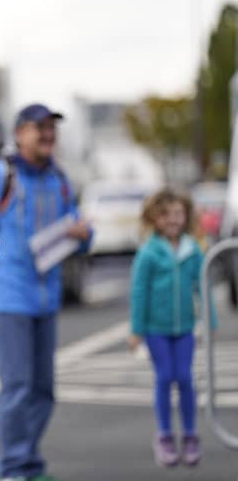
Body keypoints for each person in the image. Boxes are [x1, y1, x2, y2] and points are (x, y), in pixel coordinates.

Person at [0, 104, 92, 481]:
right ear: (19, 132)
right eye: (40, 128)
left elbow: (78, 231)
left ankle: (29, 462)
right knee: (18, 391)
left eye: (52, 128)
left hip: (46, 300)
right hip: (8, 299)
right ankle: (14, 469)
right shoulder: (0, 177)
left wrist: (84, 237)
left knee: (43, 392)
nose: (48, 135)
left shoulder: (60, 180)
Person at [128, 188, 217, 468]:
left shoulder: (192, 250)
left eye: (178, 213)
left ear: (186, 216)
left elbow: (202, 288)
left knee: (185, 378)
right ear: (154, 219)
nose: (172, 220)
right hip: (156, 329)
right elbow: (139, 292)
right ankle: (165, 436)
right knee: (165, 377)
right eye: (165, 215)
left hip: (185, 328)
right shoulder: (148, 253)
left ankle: (190, 434)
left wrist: (209, 321)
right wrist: (136, 329)